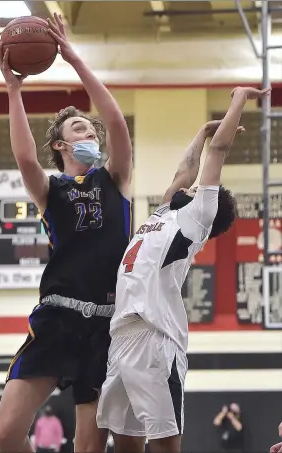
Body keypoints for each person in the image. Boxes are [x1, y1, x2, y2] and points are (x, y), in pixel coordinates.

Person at [96, 86, 270, 453]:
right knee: (125, 443)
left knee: (164, 445)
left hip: (154, 338)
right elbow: (183, 171)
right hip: (121, 336)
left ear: (204, 201)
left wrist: (238, 99)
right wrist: (203, 132)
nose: (188, 187)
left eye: (197, 188)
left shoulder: (197, 218)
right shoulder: (165, 213)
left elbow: (218, 153)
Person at [0, 13, 132, 453]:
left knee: (89, 448)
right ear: (60, 145)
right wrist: (14, 90)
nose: (91, 133)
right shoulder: (49, 190)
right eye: (79, 130)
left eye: (92, 130)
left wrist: (74, 59)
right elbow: (24, 156)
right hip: (57, 317)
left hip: (106, 324)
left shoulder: (114, 178)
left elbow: (116, 123)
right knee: (5, 434)